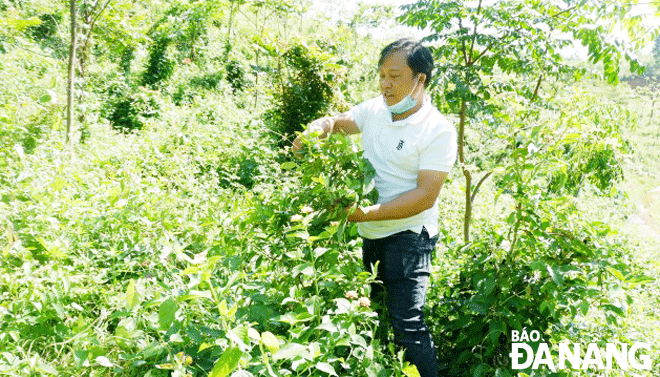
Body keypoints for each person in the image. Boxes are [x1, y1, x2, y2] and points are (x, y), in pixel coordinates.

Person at [292, 38, 457, 377]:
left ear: (420, 79)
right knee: (377, 314)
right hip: (372, 232)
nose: (385, 84)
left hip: (410, 236)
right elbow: (339, 123)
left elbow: (426, 195)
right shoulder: (375, 110)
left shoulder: (437, 129)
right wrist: (318, 128)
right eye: (382, 75)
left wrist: (365, 214)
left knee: (407, 324)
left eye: (395, 76)